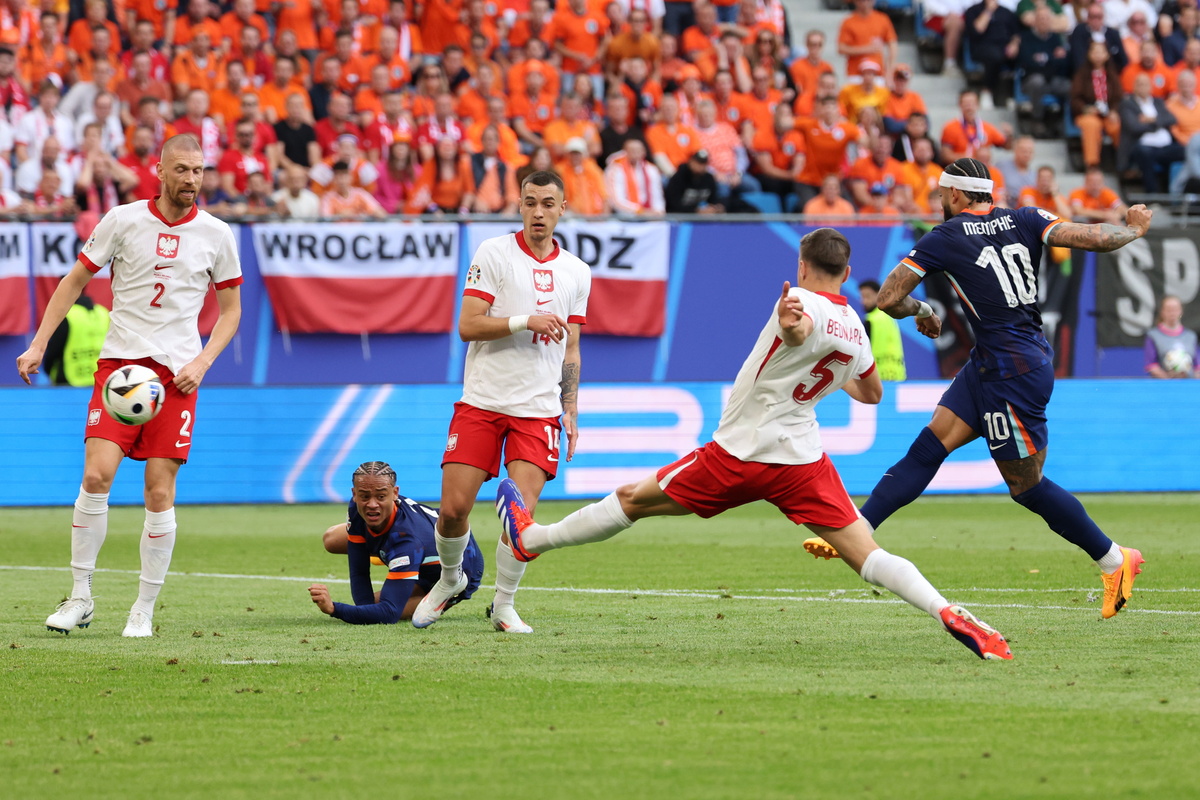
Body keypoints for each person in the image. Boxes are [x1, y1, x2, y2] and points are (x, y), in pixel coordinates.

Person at [495, 228, 1012, 661]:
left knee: (634, 500)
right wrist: (824, 366)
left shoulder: (798, 301)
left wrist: (794, 331)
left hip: (740, 453)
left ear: (803, 265)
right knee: (865, 553)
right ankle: (948, 611)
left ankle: (531, 540)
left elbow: (798, 328)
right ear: (848, 275)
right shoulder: (855, 326)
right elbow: (872, 393)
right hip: (802, 461)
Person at [802, 157, 1151, 621]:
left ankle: (1115, 559)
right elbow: (1091, 237)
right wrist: (1133, 230)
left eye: (944, 193)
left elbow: (886, 298)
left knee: (1026, 487)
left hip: (1012, 373)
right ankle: (857, 530)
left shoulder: (944, 237)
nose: (941, 201)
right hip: (997, 360)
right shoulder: (1027, 216)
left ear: (960, 195)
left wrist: (922, 310)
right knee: (929, 446)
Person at [16, 134, 243, 638]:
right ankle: (80, 597)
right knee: (96, 478)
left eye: (199, 171)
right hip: (120, 370)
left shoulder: (217, 233)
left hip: (178, 375)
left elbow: (231, 312)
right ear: (158, 171)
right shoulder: (121, 220)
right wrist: (37, 344)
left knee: (159, 491)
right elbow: (73, 282)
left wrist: (203, 362)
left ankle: (142, 608)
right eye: (181, 170)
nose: (191, 180)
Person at [411, 171, 591, 634]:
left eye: (548, 203)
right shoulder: (494, 253)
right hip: (483, 401)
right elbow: (468, 324)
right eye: (530, 202)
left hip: (538, 410)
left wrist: (569, 407)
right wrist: (523, 320)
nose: (538, 212)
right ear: (519, 206)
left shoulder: (577, 271)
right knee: (453, 510)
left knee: (520, 518)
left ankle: (504, 604)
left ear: (562, 209)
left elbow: (570, 347)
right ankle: (451, 580)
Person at [308, 462, 485, 624]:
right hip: (416, 542)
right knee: (331, 539)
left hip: (461, 566)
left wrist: (334, 609)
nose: (372, 504)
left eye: (380, 496)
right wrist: (364, 608)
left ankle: (448, 596)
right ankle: (385, 553)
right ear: (354, 494)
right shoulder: (356, 506)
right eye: (364, 496)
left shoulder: (407, 542)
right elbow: (359, 571)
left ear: (395, 493)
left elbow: (389, 612)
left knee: (396, 609)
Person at [42, 294, 111, 387]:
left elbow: (53, 350)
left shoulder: (66, 314)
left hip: (67, 381)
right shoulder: (103, 312)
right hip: (100, 380)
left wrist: (48, 370)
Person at [859, 279, 905, 381]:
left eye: (867, 296)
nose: (863, 301)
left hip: (875, 378)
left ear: (879, 295)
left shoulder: (870, 320)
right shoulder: (890, 318)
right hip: (897, 376)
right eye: (862, 297)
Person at [1145, 295, 1199, 378]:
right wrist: (1168, 379)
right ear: (1162, 312)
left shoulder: (1191, 336)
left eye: (1175, 309)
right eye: (1169, 310)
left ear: (1181, 311)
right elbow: (1151, 365)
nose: (1172, 313)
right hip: (1164, 386)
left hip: (1187, 385)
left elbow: (1197, 366)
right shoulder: (1153, 335)